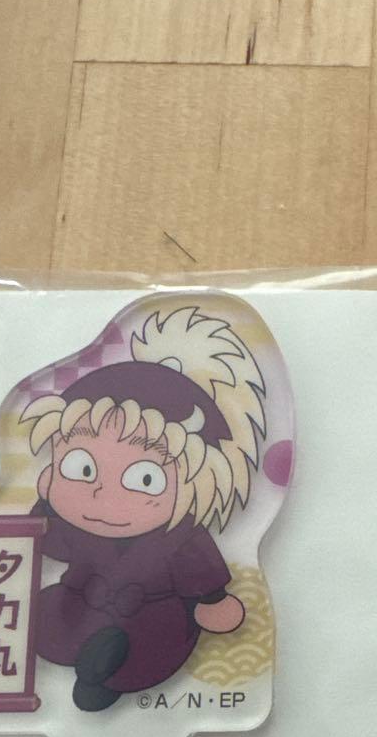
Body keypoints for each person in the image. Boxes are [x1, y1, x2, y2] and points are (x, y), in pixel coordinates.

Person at [19, 305, 265, 711]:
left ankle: (105, 675)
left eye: (144, 479)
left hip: (152, 615)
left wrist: (212, 601)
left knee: (145, 653)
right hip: (80, 599)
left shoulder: (181, 536)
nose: (101, 493)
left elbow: (202, 576)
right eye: (80, 468)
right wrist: (46, 507)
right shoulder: (77, 525)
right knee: (43, 623)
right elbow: (48, 543)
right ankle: (86, 657)